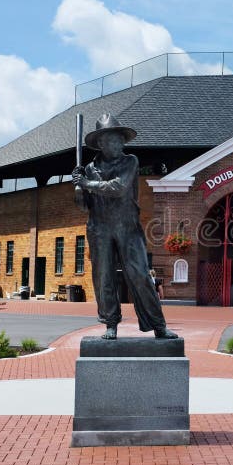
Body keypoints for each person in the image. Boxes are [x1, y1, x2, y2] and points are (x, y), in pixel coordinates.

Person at [72, 113, 178, 340]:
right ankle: (110, 323)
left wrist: (87, 184)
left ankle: (158, 325)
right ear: (101, 143)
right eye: (112, 140)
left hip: (128, 228)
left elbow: (118, 187)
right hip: (99, 228)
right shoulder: (90, 168)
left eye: (120, 140)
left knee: (139, 274)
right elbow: (83, 206)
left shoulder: (130, 161)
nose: (118, 144)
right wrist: (78, 189)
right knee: (104, 276)